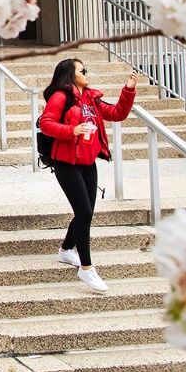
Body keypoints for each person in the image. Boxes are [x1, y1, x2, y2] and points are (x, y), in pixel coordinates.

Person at [37, 59, 139, 292]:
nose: (86, 73)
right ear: (70, 75)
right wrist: (72, 130)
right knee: (83, 212)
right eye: (82, 70)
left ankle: (65, 251)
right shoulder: (61, 97)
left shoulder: (91, 98)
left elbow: (117, 113)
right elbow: (46, 123)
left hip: (88, 161)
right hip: (66, 162)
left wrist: (129, 89)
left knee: (86, 212)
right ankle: (86, 268)